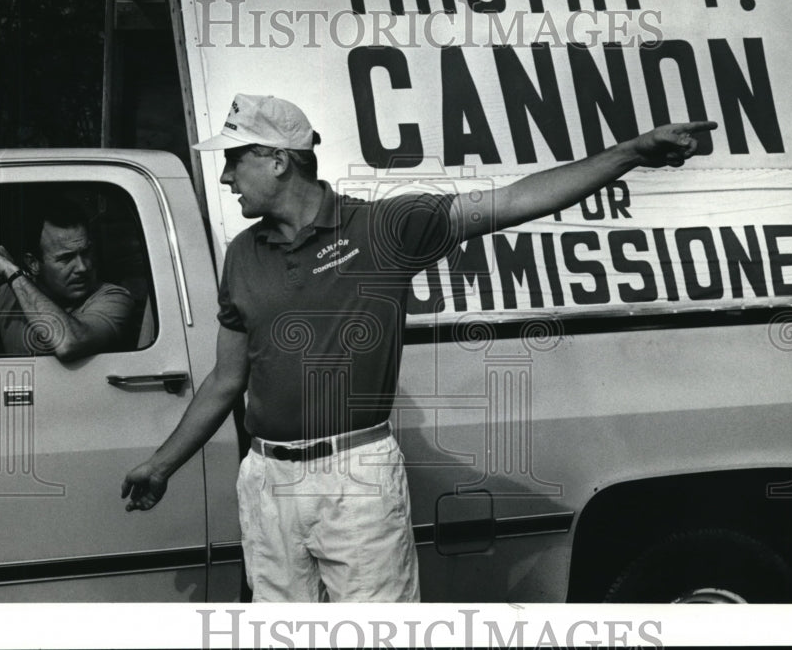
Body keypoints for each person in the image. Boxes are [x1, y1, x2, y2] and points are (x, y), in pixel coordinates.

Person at [121, 93, 717, 602]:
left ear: (277, 160)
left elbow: (512, 201)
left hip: (354, 477)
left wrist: (630, 154)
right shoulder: (243, 254)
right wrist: (161, 464)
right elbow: (227, 379)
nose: (225, 178)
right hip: (266, 481)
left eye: (233, 160)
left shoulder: (382, 228)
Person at [0, 198, 135, 361]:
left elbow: (68, 344)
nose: (83, 267)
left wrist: (11, 271)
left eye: (85, 252)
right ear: (33, 264)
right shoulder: (3, 297)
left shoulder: (113, 298)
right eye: (66, 258)